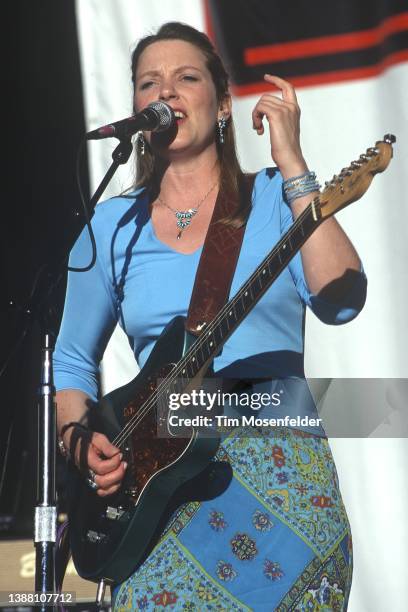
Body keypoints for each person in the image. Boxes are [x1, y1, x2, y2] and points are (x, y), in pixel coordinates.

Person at [54, 22, 367, 611]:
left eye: (186, 78)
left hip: (280, 479)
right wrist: (81, 441)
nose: (165, 93)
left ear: (222, 104)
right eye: (149, 83)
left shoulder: (275, 197)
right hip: (158, 490)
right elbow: (71, 359)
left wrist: (294, 164)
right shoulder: (111, 225)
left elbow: (341, 298)